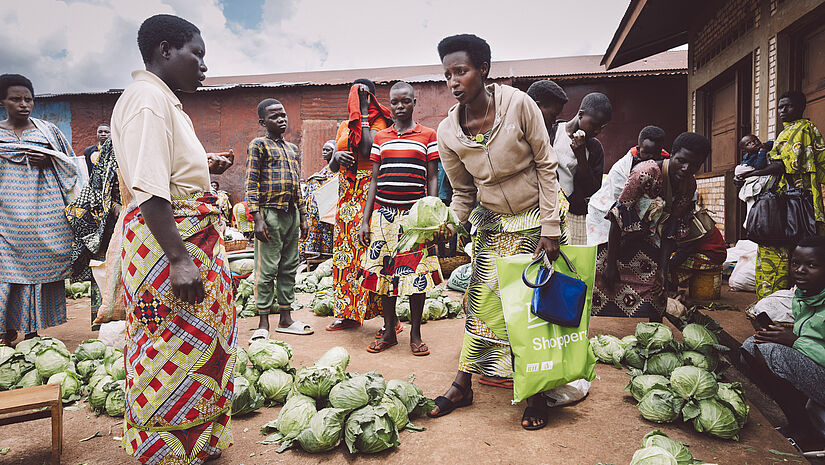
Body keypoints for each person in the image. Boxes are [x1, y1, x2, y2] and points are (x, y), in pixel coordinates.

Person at [110, 14, 234, 464]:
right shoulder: (147, 100)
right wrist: (180, 259)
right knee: (167, 347)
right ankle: (165, 451)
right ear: (165, 50)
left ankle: (196, 442)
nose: (203, 66)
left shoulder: (163, 102)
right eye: (196, 54)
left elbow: (171, 171)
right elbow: (148, 188)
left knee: (197, 343)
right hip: (167, 248)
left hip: (184, 240)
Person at [428, 34, 563, 430]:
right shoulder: (448, 132)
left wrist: (551, 226)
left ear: (483, 70)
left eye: (461, 71)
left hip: (538, 219)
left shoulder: (519, 105)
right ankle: (463, 384)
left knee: (533, 309)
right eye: (447, 74)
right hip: (492, 224)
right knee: (481, 307)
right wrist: (443, 226)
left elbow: (546, 164)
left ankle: (536, 391)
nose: (453, 81)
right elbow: (463, 193)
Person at [359, 81, 441, 356]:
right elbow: (374, 180)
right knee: (385, 275)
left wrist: (432, 214)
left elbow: (432, 177)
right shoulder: (381, 138)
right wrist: (365, 219)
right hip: (384, 217)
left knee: (417, 277)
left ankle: (415, 334)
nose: (400, 106)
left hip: (415, 219)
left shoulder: (428, 135)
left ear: (414, 103)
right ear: (389, 104)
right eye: (395, 102)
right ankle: (390, 331)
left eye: (406, 101)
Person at [592, 132, 711, 321]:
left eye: (695, 164)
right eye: (681, 160)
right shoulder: (645, 173)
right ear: (671, 154)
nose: (686, 168)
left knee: (656, 290)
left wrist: (663, 270)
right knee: (601, 284)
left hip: (649, 235)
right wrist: (611, 263)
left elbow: (670, 230)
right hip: (613, 233)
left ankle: (656, 334)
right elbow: (617, 217)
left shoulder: (688, 186)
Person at [0, 73, 78, 346]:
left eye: (28, 99)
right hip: (6, 217)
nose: (24, 104)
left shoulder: (48, 131)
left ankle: (33, 331)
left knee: (38, 275)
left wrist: (49, 160)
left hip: (46, 213)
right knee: (5, 274)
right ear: (3, 101)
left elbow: (72, 166)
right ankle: (6, 330)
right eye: (16, 99)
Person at [741, 235, 825, 452]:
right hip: (815, 372)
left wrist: (796, 342)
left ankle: (811, 434)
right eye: (796, 263)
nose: (800, 270)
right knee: (752, 347)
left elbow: (803, 344)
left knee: (770, 352)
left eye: (812, 265)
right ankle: (799, 423)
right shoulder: (803, 296)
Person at [737, 91, 825, 298]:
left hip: (797, 199)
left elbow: (784, 166)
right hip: (796, 197)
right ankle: (782, 301)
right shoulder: (790, 131)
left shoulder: (801, 129)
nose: (782, 111)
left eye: (788, 106)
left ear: (801, 107)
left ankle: (781, 301)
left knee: (792, 247)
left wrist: (753, 173)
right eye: (780, 107)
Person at [325, 78, 392, 331]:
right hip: (346, 196)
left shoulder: (380, 123)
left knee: (371, 255)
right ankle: (348, 314)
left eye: (360, 94)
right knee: (344, 257)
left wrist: (364, 112)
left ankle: (388, 319)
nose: (354, 98)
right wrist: (335, 156)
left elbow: (366, 148)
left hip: (368, 195)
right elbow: (332, 167)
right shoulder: (344, 125)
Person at [246, 98, 312, 339]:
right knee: (267, 269)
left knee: (289, 267)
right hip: (269, 214)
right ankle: (263, 323)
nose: (282, 120)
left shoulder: (292, 149)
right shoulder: (258, 146)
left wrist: (303, 217)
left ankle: (286, 318)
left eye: (283, 115)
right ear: (263, 121)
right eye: (275, 117)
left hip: (291, 214)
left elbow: (297, 186)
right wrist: (257, 218)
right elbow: (251, 182)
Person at [67, 137, 122, 330]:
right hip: (110, 221)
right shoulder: (111, 147)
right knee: (106, 269)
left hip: (150, 216)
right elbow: (98, 186)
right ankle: (107, 325)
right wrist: (115, 208)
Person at [587, 125, 669, 246]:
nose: (649, 158)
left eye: (654, 154)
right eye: (645, 152)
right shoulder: (623, 167)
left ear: (660, 151)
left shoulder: (666, 163)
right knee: (606, 247)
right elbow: (618, 200)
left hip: (643, 218)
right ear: (638, 147)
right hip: (605, 210)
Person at [550, 92, 611, 245]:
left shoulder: (595, 148)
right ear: (581, 114)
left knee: (573, 263)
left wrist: (581, 158)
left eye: (602, 127)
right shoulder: (553, 132)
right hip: (547, 209)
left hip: (574, 214)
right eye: (595, 125)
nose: (597, 131)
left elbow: (593, 190)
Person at [299, 140, 336, 258]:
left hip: (328, 211)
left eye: (328, 150)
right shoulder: (322, 172)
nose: (324, 152)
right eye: (323, 149)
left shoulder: (336, 172)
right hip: (316, 213)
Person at [735, 134, 774, 224]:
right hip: (754, 172)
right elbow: (759, 166)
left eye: (755, 140)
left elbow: (772, 143)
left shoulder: (763, 148)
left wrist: (765, 146)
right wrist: (761, 152)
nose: (754, 143)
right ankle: (752, 223)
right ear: (745, 150)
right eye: (749, 144)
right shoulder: (750, 157)